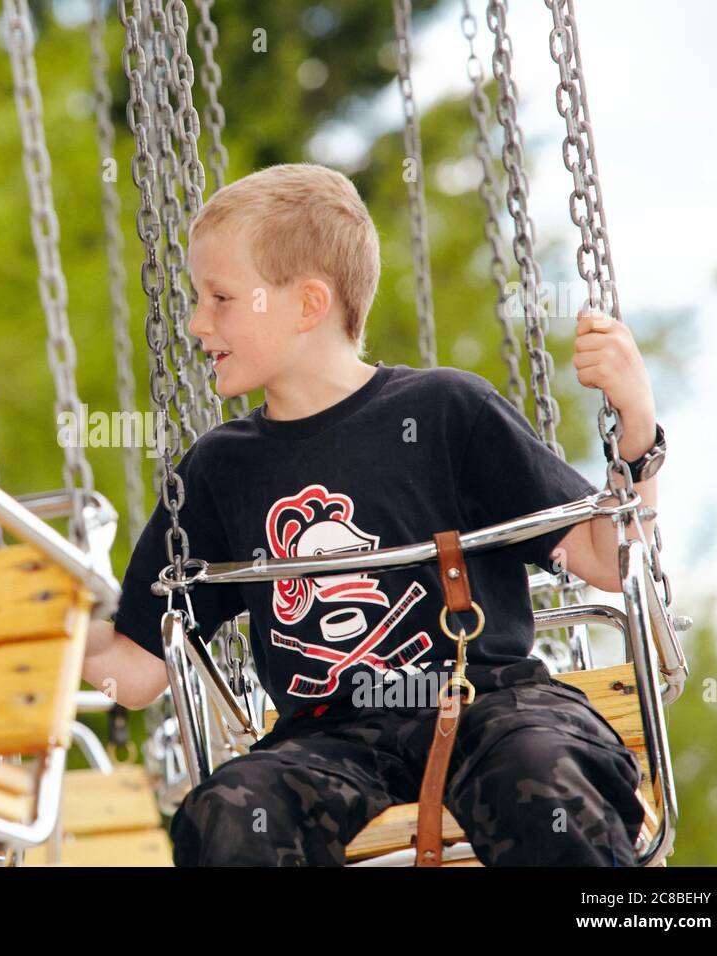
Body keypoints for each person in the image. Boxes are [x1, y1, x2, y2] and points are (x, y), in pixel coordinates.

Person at [82, 163, 665, 866]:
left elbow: (608, 559)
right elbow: (136, 674)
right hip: (329, 741)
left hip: (483, 707)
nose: (197, 322)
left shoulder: (447, 411)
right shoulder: (219, 470)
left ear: (306, 304)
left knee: (541, 776)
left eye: (221, 298)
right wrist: (23, 584)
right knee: (229, 814)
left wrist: (636, 426)